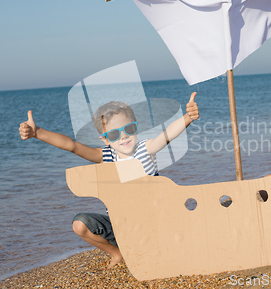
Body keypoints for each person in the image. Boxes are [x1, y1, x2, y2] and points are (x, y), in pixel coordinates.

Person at [19, 93, 199, 268]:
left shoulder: (146, 149)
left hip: (156, 224)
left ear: (136, 127)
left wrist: (187, 118)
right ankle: (117, 253)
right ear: (105, 140)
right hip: (123, 229)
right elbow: (72, 146)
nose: (123, 136)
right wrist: (38, 133)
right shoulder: (105, 156)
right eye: (114, 135)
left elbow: (167, 134)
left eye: (129, 129)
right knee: (80, 224)